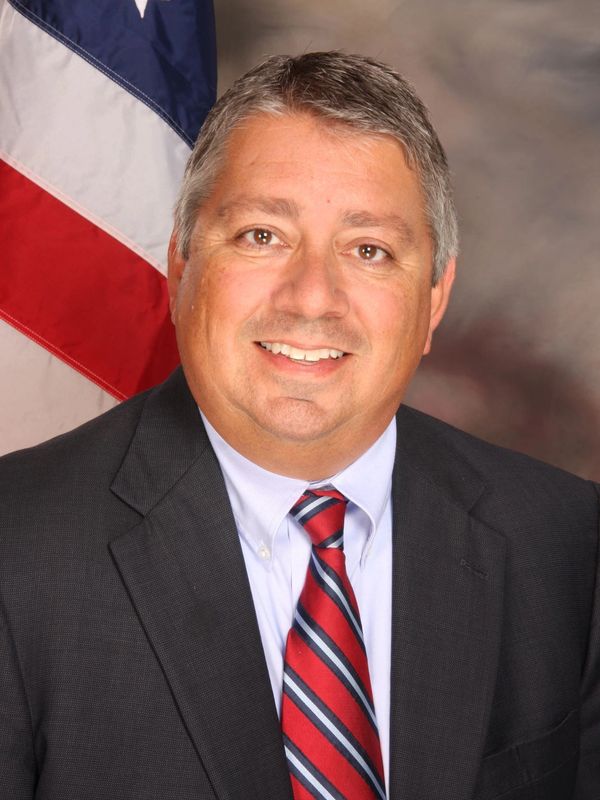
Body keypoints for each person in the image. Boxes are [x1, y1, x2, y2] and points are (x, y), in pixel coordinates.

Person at [0, 51, 598, 800]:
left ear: (435, 297)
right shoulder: (16, 550)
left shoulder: (568, 545)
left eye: (369, 250)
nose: (313, 297)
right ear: (182, 263)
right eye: (261, 235)